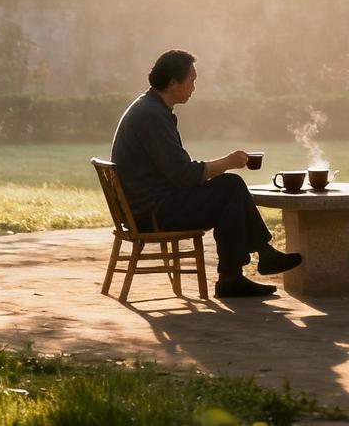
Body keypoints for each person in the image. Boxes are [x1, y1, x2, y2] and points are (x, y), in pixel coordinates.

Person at [111, 48, 301, 298]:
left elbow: (178, 172)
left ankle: (249, 265)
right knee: (229, 187)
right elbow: (183, 175)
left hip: (148, 206)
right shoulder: (152, 117)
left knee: (227, 191)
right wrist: (227, 162)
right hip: (152, 213)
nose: (193, 88)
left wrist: (217, 169)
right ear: (173, 83)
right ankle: (242, 269)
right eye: (191, 81)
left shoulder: (150, 108)